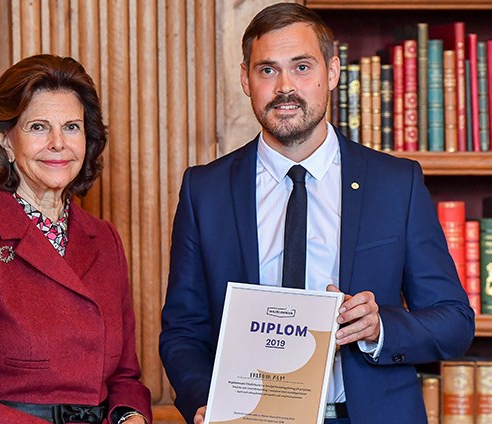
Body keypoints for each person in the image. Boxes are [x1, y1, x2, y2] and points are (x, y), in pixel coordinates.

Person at [159, 3, 474, 424]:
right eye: (267, 70)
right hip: (248, 418)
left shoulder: (396, 184)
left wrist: (381, 328)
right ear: (245, 79)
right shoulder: (206, 189)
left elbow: (454, 322)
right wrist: (203, 401)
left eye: (302, 67)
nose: (284, 87)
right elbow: (183, 330)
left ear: (332, 72)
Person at [0, 54, 151, 424]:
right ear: (5, 141)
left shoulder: (105, 240)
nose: (58, 143)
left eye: (72, 127)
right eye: (39, 127)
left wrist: (130, 416)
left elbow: (125, 377)